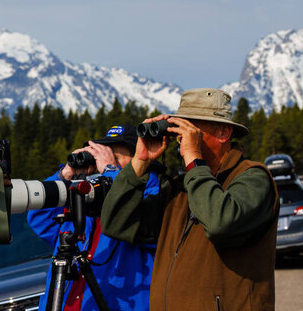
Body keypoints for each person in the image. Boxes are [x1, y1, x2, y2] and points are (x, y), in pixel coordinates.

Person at [101, 88, 279, 311]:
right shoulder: (180, 188)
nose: (181, 139)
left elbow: (220, 224)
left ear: (224, 133)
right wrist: (139, 162)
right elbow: (117, 224)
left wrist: (194, 159)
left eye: (190, 130)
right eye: (179, 130)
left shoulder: (253, 178)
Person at [27, 125, 160, 311]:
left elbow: (129, 214)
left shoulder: (153, 196)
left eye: (115, 157)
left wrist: (111, 171)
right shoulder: (87, 203)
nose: (101, 165)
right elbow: (39, 218)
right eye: (101, 156)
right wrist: (65, 174)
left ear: (142, 160)